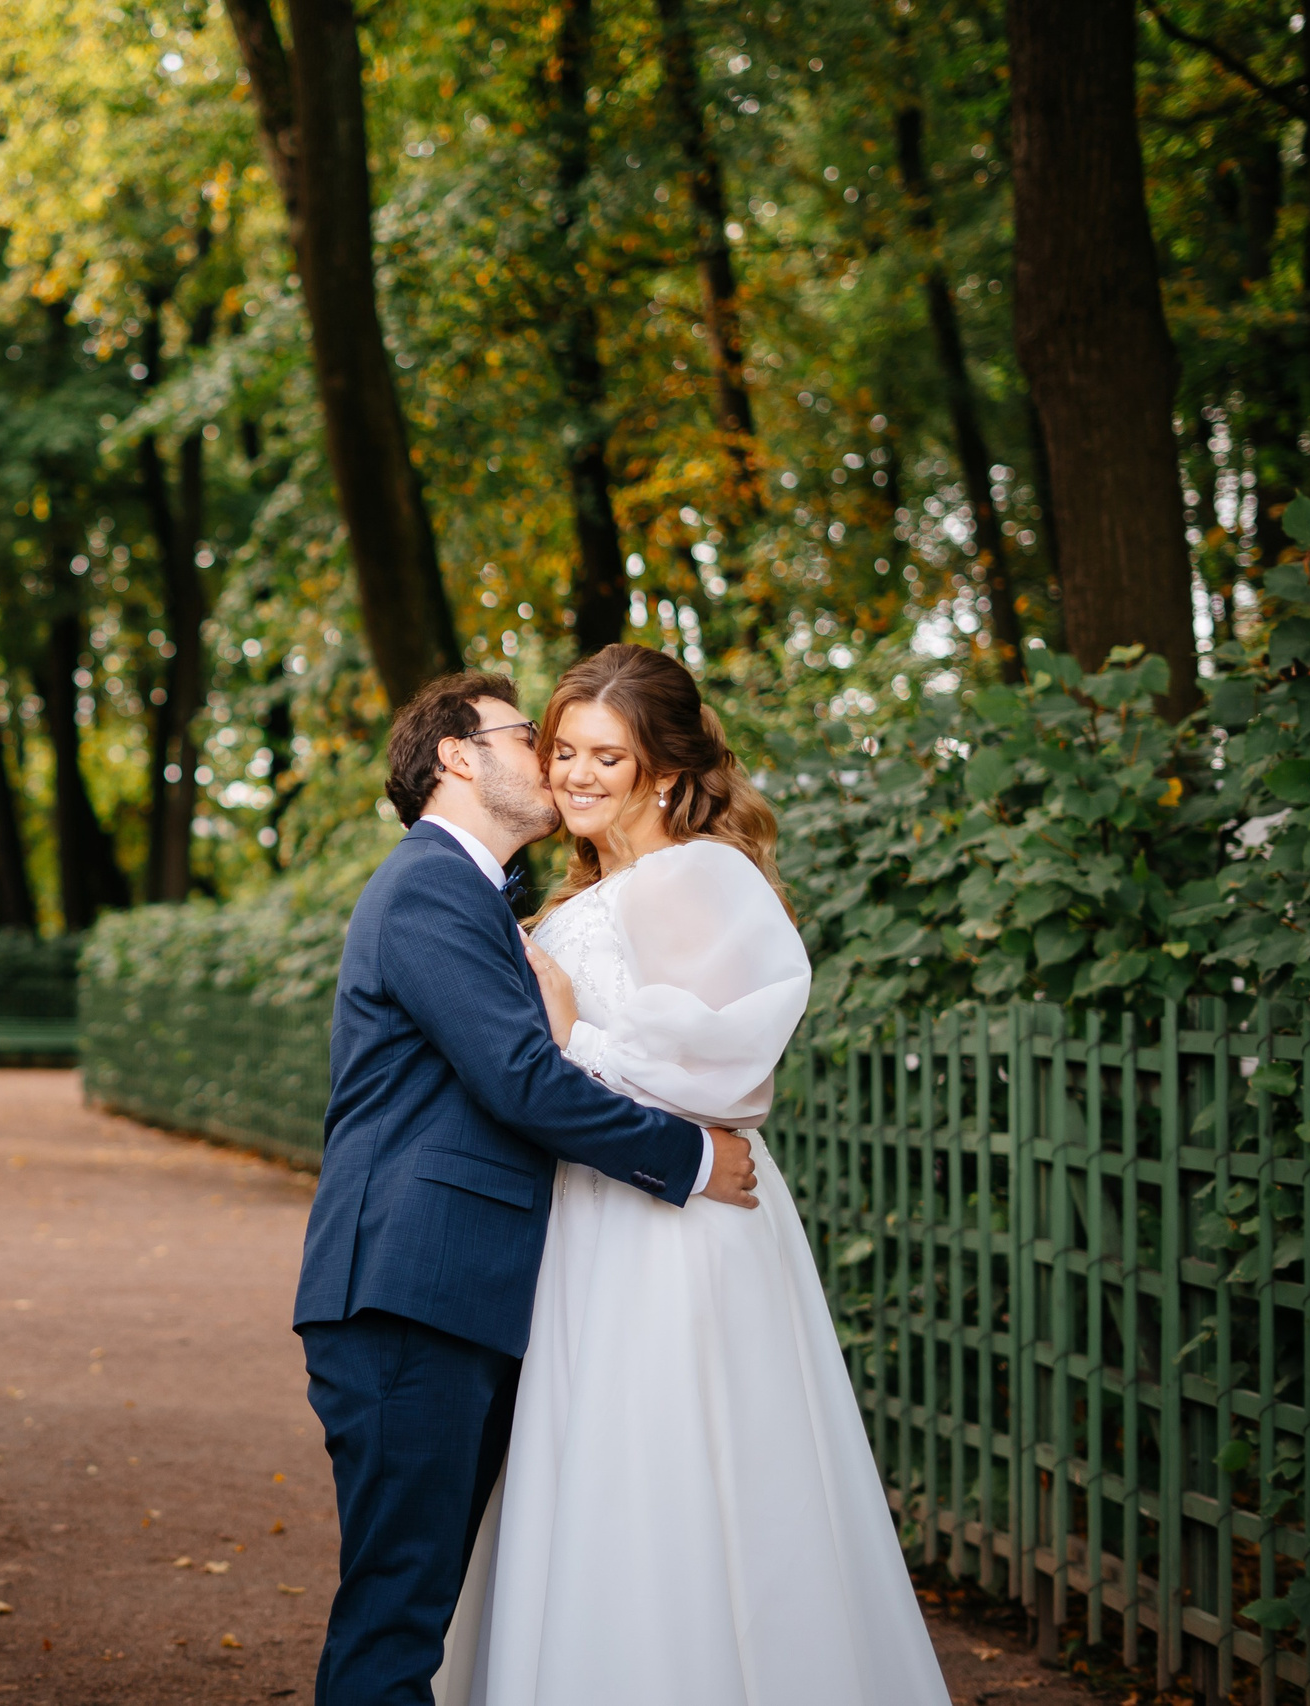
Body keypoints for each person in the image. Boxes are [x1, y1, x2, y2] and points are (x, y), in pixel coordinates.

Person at [432, 644, 948, 1706]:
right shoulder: (587, 889)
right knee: (594, 1473)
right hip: (593, 1213)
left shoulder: (696, 873)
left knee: (675, 1469)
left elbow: (729, 1064)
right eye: (561, 748)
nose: (574, 773)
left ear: (664, 771)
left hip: (675, 1225)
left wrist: (573, 1039)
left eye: (605, 756)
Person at [293, 670, 761, 1706]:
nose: (550, 759)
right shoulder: (428, 882)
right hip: (406, 1291)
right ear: (458, 757)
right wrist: (688, 1158)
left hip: (455, 1290)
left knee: (418, 1599)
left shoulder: (477, 894)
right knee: (397, 1611)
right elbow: (517, 1078)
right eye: (526, 737)